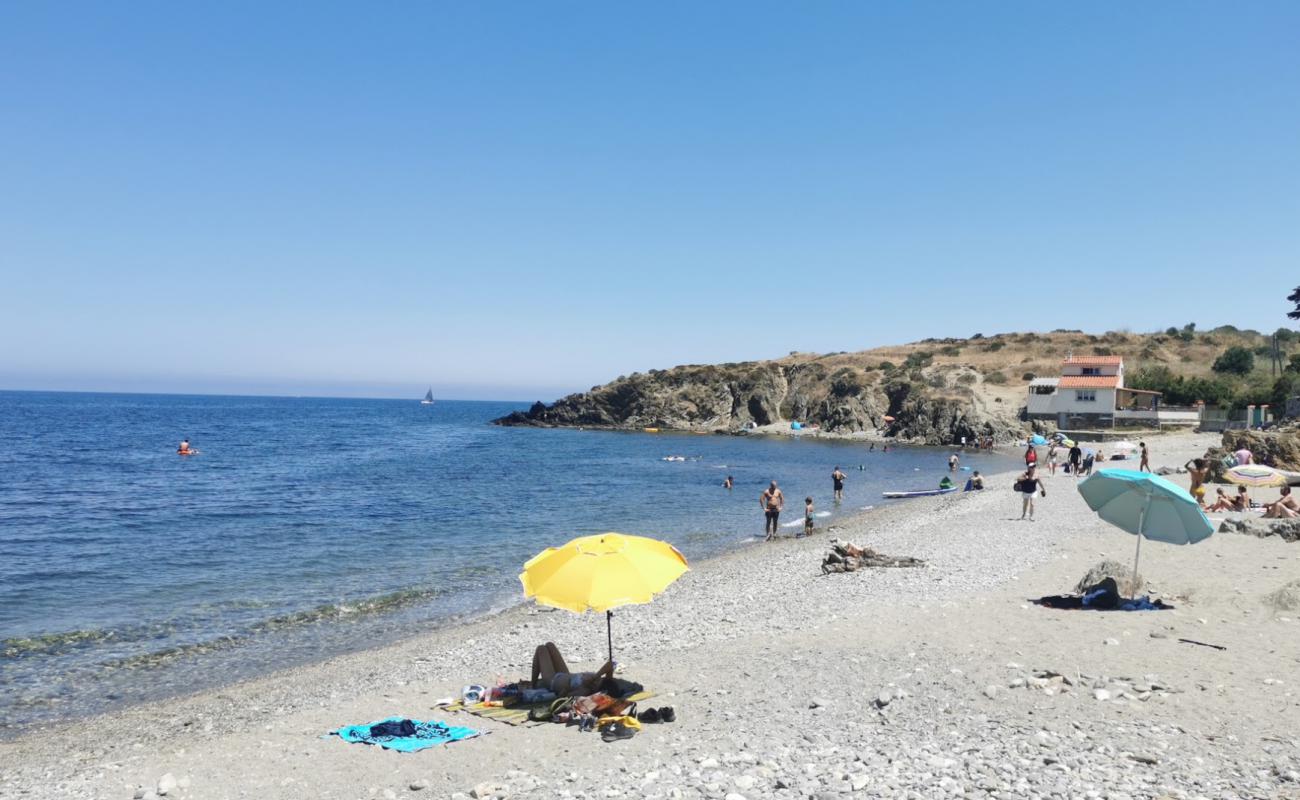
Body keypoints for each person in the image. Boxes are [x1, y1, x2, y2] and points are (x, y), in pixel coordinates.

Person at [530, 643, 616, 697]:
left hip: (552, 681)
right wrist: (596, 677)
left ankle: (533, 685)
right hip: (565, 674)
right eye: (599, 680)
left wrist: (568, 688)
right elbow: (611, 664)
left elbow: (564, 697)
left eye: (596, 684)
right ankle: (533, 684)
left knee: (541, 649)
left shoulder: (585, 691)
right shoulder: (601, 680)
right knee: (550, 645)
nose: (596, 681)